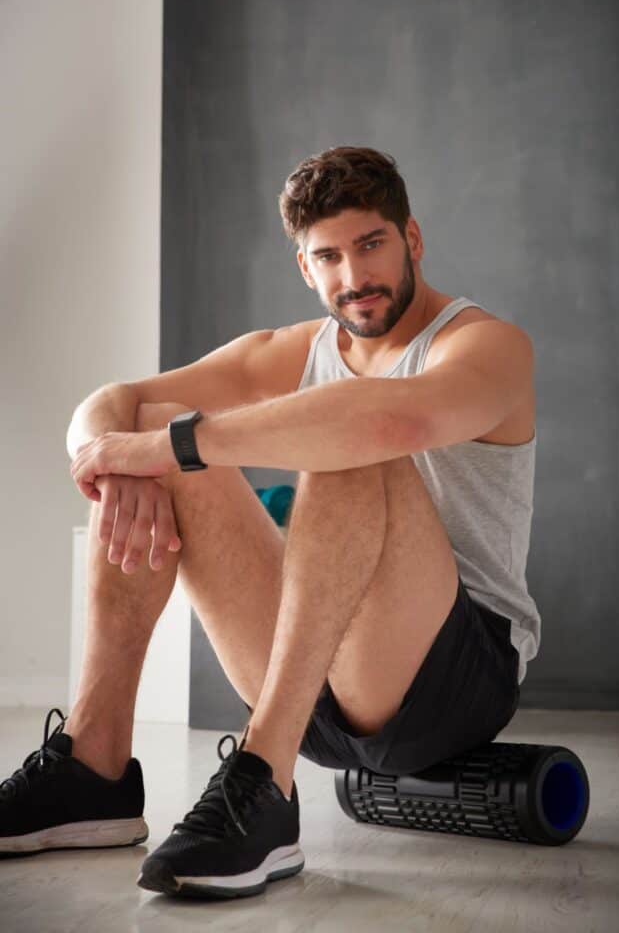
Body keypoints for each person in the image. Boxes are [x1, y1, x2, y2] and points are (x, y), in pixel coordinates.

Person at [0, 146, 540, 899]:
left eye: (370, 245)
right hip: (312, 683)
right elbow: (113, 402)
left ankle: (263, 788)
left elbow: (388, 423)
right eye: (329, 257)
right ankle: (95, 769)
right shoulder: (296, 350)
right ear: (304, 268)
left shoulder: (484, 346)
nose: (353, 277)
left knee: (345, 440)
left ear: (410, 240)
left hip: (452, 682)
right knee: (154, 419)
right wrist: (116, 456)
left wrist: (166, 450)